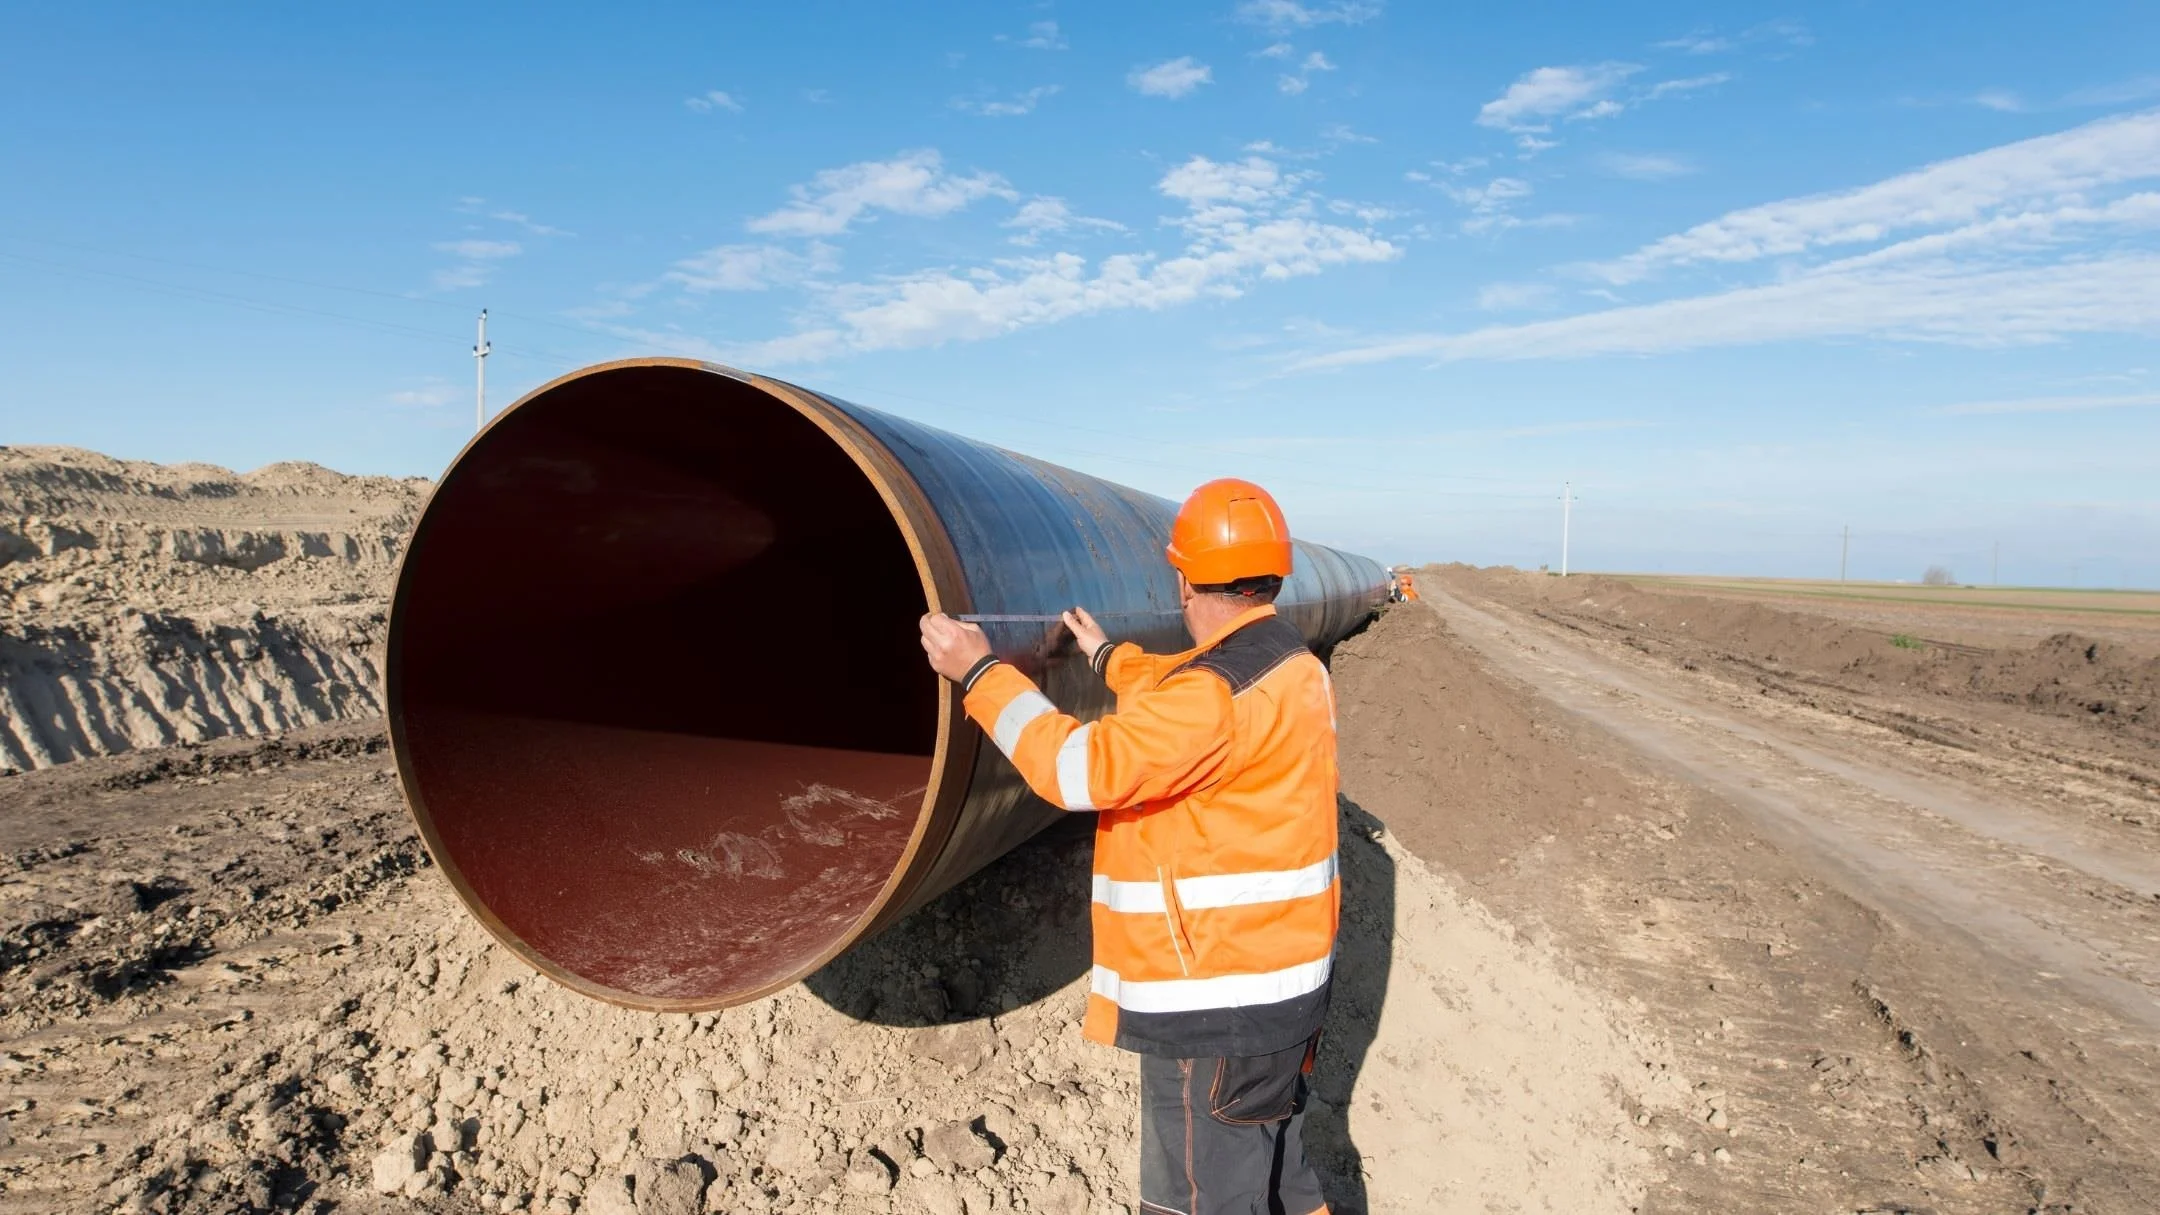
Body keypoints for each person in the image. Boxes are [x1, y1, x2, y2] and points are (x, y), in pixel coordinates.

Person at [918, 478, 1338, 1215]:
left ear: (1183, 578)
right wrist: (1107, 656)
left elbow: (1076, 769)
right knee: (1280, 1176)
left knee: (1201, 1198)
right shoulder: (1288, 662)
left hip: (1218, 1006)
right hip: (1282, 992)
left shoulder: (1210, 698)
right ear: (1275, 575)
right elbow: (1189, 693)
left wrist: (980, 673)